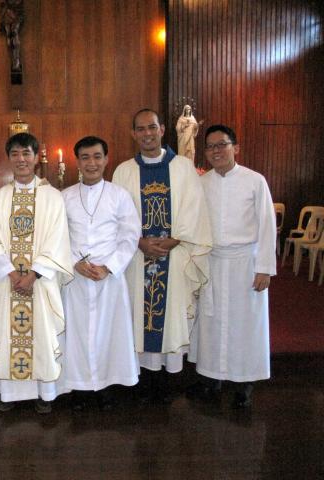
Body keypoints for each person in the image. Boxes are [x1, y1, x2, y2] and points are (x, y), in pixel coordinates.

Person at [112, 109, 212, 404]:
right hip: (137, 256)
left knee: (170, 318)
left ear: (163, 129)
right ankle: (142, 380)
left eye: (152, 127)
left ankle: (168, 382)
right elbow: (116, 216)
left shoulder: (182, 167)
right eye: (140, 129)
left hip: (176, 254)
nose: (147, 133)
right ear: (133, 134)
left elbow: (194, 208)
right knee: (138, 317)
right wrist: (140, 241)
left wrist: (172, 240)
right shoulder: (123, 171)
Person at [0, 132, 73, 414]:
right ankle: (9, 394)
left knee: (42, 335)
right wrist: (11, 273)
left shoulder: (52, 197)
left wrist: (33, 275)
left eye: (26, 154)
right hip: (8, 281)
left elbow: (57, 239)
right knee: (9, 335)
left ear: (36, 158)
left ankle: (44, 392)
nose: (21, 159)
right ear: (9, 158)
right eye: (15, 154)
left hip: (39, 283)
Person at [188, 124, 276, 408]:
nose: (216, 151)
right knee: (211, 324)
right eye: (210, 146)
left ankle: (244, 383)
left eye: (221, 145)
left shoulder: (254, 181)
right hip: (213, 262)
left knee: (245, 325)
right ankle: (211, 379)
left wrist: (264, 267)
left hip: (244, 264)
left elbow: (267, 226)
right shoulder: (201, 183)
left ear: (235, 147)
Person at [61, 136, 141, 411]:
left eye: (97, 156)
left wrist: (109, 267)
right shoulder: (65, 197)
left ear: (107, 160)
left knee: (110, 333)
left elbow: (130, 236)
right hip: (77, 278)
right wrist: (74, 262)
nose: (91, 163)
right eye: (85, 157)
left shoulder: (119, 195)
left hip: (109, 277)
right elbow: (58, 238)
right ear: (78, 162)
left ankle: (107, 387)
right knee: (77, 335)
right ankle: (80, 390)